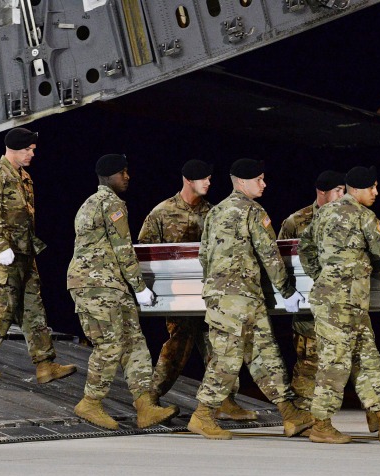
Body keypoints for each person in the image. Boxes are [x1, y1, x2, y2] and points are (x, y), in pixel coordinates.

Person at [188, 158, 313, 440]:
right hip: (238, 297)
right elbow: (270, 255)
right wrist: (288, 291)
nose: (264, 184)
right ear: (243, 182)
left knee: (265, 355)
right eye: (259, 179)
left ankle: (290, 415)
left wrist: (215, 288)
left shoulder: (216, 212)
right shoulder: (253, 211)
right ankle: (203, 414)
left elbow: (204, 255)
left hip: (234, 297)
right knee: (228, 358)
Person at [298, 165, 380, 444]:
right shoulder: (364, 216)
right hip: (339, 303)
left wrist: (320, 274)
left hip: (346, 301)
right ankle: (321, 424)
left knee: (369, 360)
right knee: (336, 362)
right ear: (356, 189)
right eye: (372, 187)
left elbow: (304, 247)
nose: (376, 193)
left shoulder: (324, 213)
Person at [137, 159, 255, 421]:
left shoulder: (213, 213)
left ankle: (225, 400)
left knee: (220, 347)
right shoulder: (161, 213)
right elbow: (144, 253)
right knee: (178, 346)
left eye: (210, 178)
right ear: (189, 180)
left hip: (210, 291)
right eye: (204, 179)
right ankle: (151, 398)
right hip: (178, 295)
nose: (209, 183)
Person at [67, 154, 178, 430]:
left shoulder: (89, 203)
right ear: (109, 177)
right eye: (122, 172)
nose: (127, 176)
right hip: (97, 285)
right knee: (110, 344)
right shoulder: (111, 204)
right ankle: (90, 402)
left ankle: (144, 406)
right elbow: (122, 249)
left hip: (109, 284)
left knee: (134, 342)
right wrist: (140, 288)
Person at [0, 127, 76, 383]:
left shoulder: (23, 177)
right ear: (14, 149)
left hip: (24, 254)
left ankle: (45, 365)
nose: (31, 154)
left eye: (33, 150)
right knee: (4, 306)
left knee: (33, 308)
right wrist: (2, 247)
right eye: (28, 150)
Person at [277, 170, 346, 410]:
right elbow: (280, 261)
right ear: (322, 192)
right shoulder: (297, 221)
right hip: (307, 306)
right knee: (309, 362)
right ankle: (301, 414)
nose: (342, 196)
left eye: (344, 190)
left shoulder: (346, 218)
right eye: (337, 191)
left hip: (340, 304)